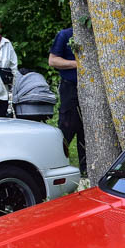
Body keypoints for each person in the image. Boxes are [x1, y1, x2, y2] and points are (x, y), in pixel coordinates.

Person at [48, 27, 86, 172]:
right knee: (67, 126)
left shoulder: (94, 34)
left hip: (90, 89)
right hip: (70, 87)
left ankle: (86, 169)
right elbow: (52, 60)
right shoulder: (65, 35)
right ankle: (53, 165)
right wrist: (77, 64)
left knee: (86, 130)